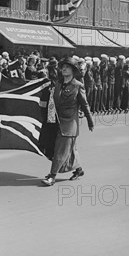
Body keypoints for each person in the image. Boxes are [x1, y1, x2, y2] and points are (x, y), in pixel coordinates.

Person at [39, 57, 94, 186]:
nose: (63, 69)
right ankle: (79, 170)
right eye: (63, 67)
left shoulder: (78, 86)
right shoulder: (57, 84)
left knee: (60, 149)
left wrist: (90, 121)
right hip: (56, 122)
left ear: (73, 70)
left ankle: (52, 176)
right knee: (70, 149)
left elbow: (85, 105)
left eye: (67, 67)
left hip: (69, 124)